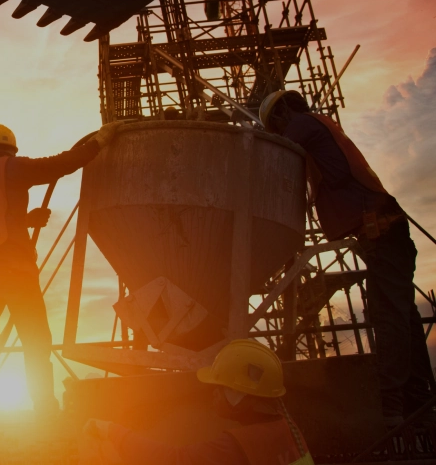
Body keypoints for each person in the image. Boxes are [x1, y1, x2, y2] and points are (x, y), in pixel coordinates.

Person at [259, 90, 434, 427]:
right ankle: (419, 401)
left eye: (276, 127)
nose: (279, 134)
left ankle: (391, 407)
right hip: (383, 235)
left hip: (382, 232)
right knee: (403, 317)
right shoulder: (318, 130)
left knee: (388, 315)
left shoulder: (303, 126)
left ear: (283, 113)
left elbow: (274, 152)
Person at [0, 122, 120, 415]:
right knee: (36, 341)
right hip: (13, 272)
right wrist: (98, 143)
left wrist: (25, 220)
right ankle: (45, 410)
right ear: (9, 151)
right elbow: (59, 165)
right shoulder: (10, 168)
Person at [84, 340, 314, 465]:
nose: (212, 395)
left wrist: (113, 431)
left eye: (218, 388)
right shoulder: (288, 429)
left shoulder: (239, 445)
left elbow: (175, 460)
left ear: (240, 393)